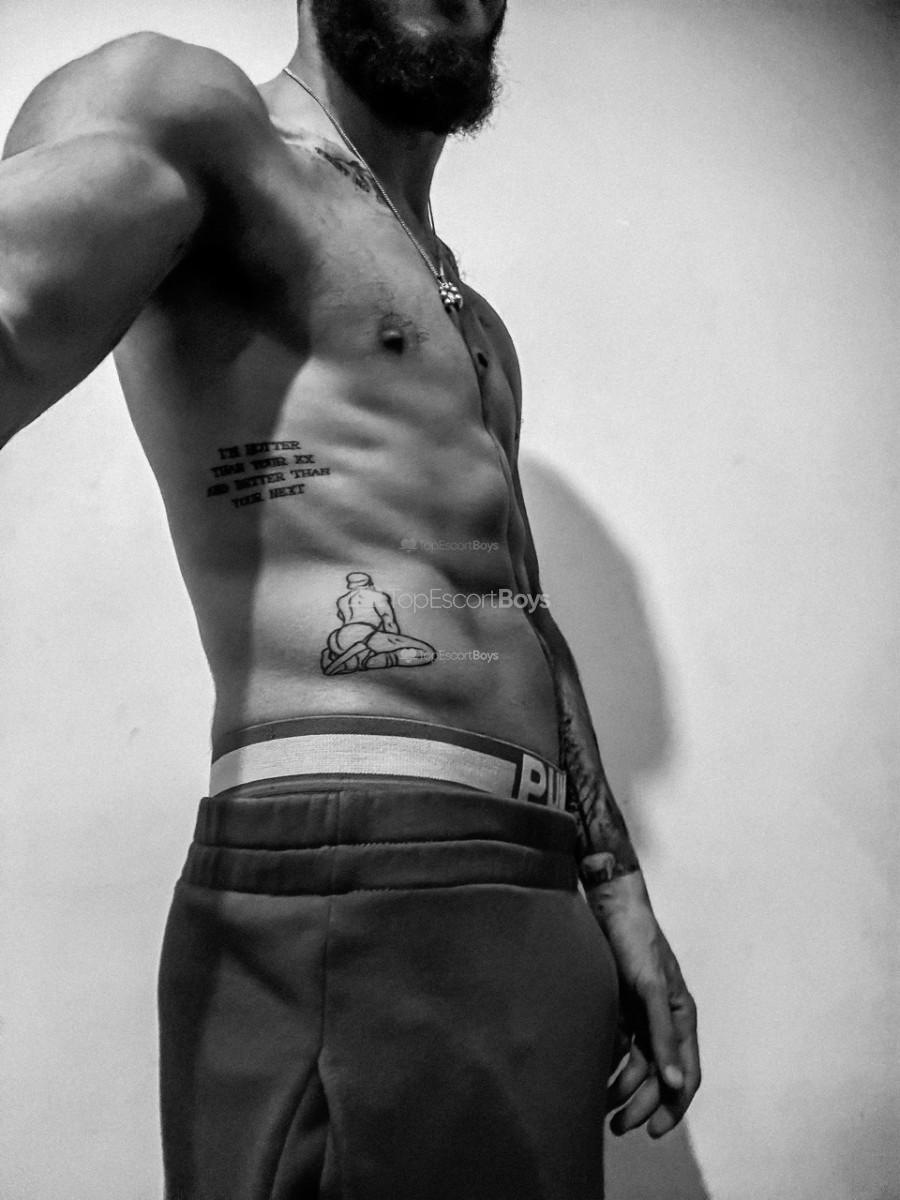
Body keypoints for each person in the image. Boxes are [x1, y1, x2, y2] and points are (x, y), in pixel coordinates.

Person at [0, 1, 700, 1196]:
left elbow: (516, 606)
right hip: (345, 879)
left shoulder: (472, 319)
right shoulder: (198, 123)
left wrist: (619, 894)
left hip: (534, 897)